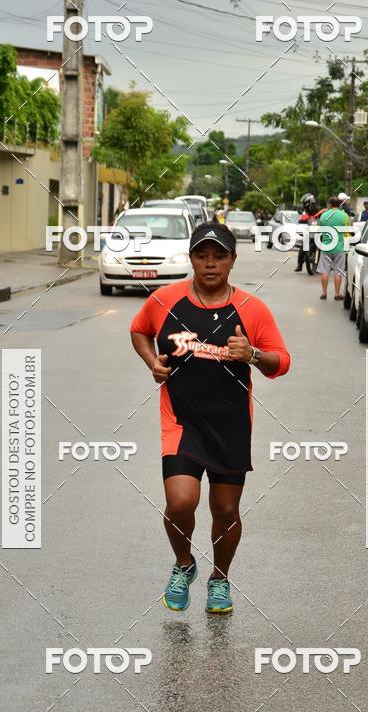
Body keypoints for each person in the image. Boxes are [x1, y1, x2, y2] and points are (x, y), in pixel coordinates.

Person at [130, 222, 290, 615]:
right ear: (192, 260)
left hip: (231, 424)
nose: (210, 264)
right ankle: (184, 565)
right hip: (181, 421)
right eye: (202, 256)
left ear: (233, 260)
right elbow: (138, 330)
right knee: (181, 500)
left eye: (219, 256)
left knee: (226, 512)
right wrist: (153, 362)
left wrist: (250, 354)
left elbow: (281, 362)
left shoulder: (252, 310)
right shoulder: (165, 300)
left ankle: (220, 578)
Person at [317, 196, 350, 300]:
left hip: (326, 247)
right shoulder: (344, 216)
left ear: (330, 204)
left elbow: (321, 229)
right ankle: (337, 294)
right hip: (340, 248)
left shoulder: (324, 215)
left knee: (325, 271)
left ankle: (324, 293)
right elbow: (347, 230)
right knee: (338, 272)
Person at [295, 193, 320, 271]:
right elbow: (302, 215)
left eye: (304, 202)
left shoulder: (318, 209)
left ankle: (317, 266)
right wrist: (302, 219)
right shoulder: (305, 210)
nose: (304, 204)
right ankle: (299, 265)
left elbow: (323, 216)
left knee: (322, 247)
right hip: (308, 229)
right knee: (302, 247)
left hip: (318, 229)